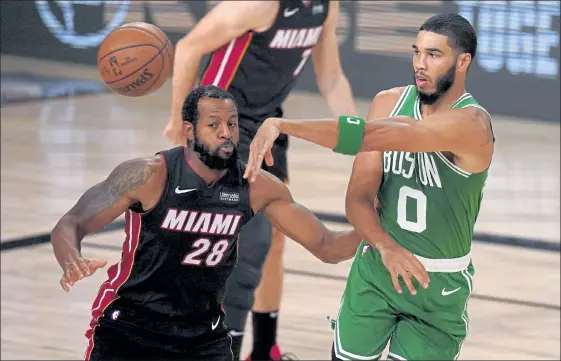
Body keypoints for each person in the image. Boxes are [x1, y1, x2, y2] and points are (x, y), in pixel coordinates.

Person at [244, 13, 495, 360]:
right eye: (416, 52)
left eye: (434, 55)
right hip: (376, 267)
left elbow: (372, 135)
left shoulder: (472, 124)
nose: (420, 65)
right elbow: (358, 196)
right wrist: (384, 246)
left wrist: (285, 125)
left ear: (463, 61)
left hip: (437, 285)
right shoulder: (388, 102)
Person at [50, 85, 362, 361]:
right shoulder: (148, 175)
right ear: (189, 130)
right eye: (213, 125)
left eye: (232, 124)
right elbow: (71, 223)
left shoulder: (257, 186)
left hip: (202, 336)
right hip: (131, 327)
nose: (226, 132)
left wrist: (377, 228)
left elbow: (327, 246)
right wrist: (70, 258)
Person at [164, 1, 358, 359]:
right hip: (224, 128)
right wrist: (182, 123)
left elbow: (330, 78)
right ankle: (221, 349)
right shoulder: (260, 4)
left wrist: (358, 137)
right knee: (242, 246)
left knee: (276, 236)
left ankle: (265, 349)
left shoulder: (324, 7)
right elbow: (189, 46)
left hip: (268, 126)